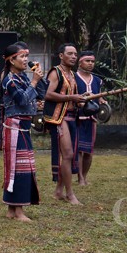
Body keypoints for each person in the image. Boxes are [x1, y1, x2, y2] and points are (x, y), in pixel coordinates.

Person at [0, 44, 46, 222]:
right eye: (22, 57)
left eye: (27, 56)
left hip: (23, 128)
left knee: (23, 166)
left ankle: (12, 210)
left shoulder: (23, 78)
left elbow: (42, 93)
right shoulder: (9, 80)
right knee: (18, 168)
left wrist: (38, 78)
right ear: (11, 60)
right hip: (15, 127)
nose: (26, 60)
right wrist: (34, 81)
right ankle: (18, 211)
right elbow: (22, 99)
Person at [43, 43, 83, 204]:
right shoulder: (55, 72)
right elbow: (47, 94)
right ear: (61, 55)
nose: (74, 56)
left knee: (68, 155)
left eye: (75, 54)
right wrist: (71, 98)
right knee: (67, 154)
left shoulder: (72, 74)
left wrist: (80, 99)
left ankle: (59, 191)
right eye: (70, 54)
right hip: (59, 118)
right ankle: (70, 194)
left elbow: (73, 96)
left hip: (72, 116)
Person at [74, 51, 104, 186]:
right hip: (77, 117)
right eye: (87, 61)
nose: (90, 63)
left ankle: (85, 176)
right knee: (79, 149)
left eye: (92, 61)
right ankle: (80, 178)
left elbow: (99, 96)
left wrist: (102, 101)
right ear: (80, 62)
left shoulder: (97, 80)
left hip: (92, 118)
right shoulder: (73, 78)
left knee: (89, 151)